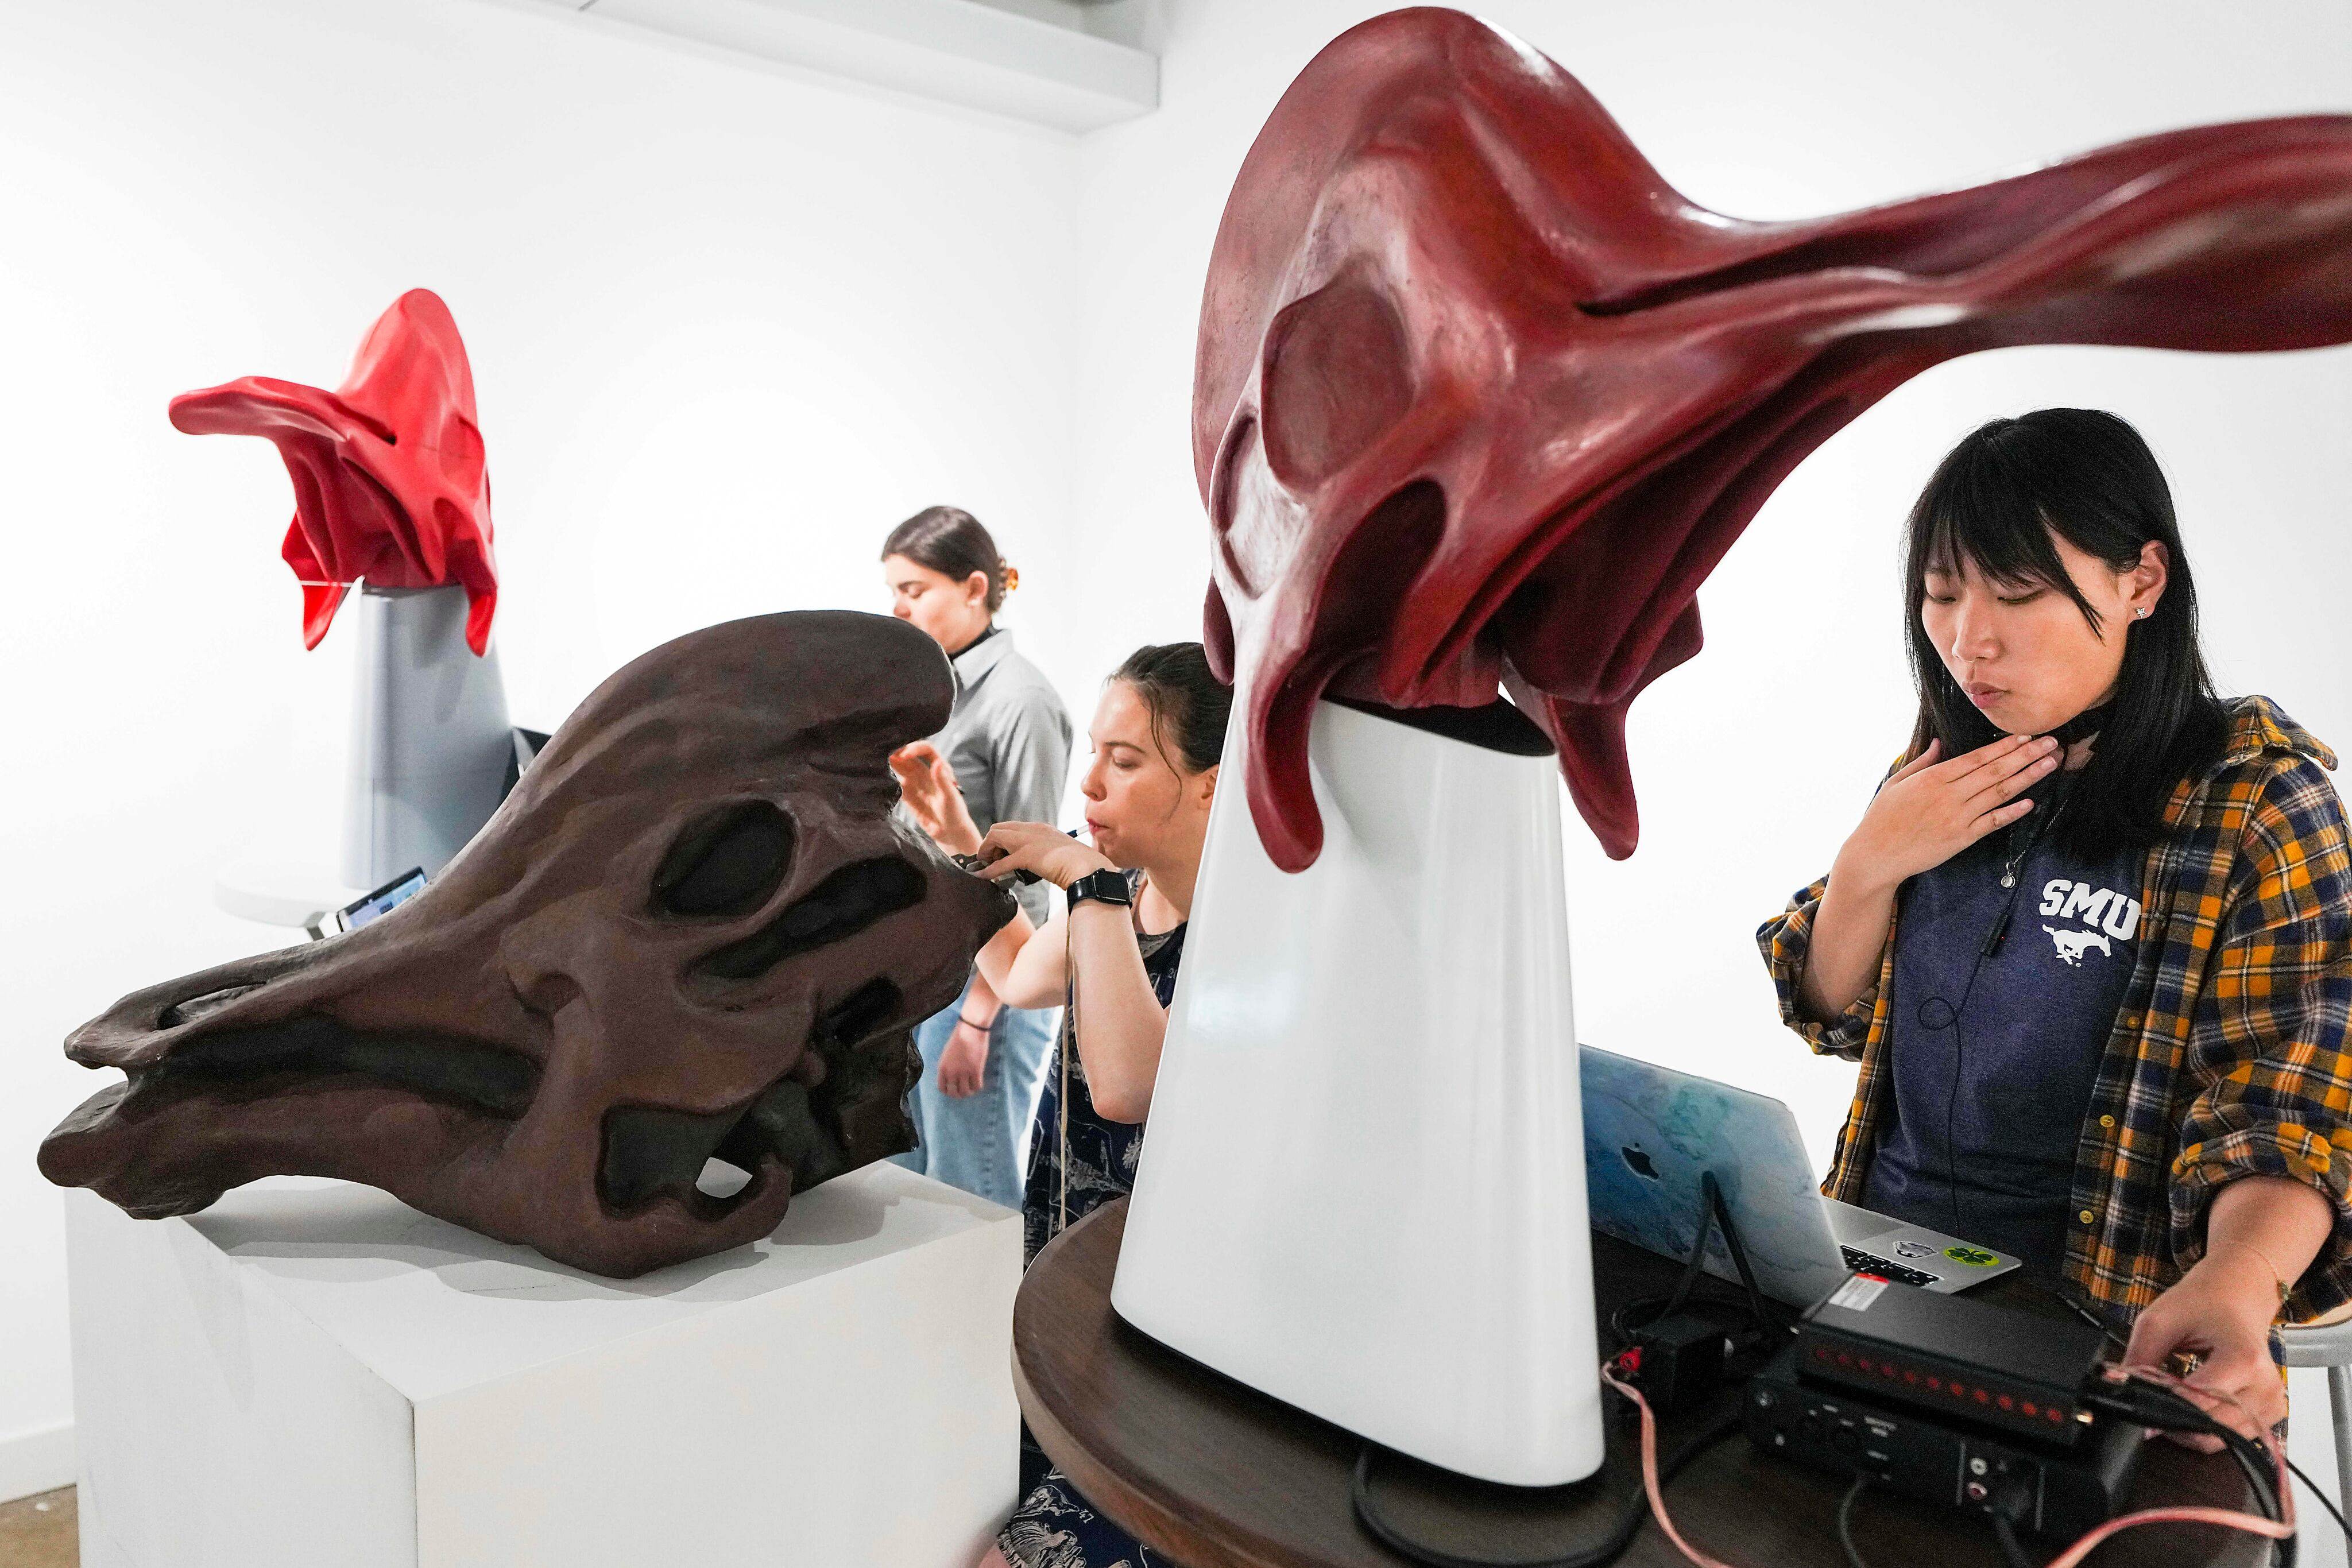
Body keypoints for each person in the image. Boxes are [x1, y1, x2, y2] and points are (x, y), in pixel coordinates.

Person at [1759, 409, 2352, 1449]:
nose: (1966, 640)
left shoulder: (2256, 802)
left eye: (2017, 593)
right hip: (1874, 1270)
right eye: (1943, 595)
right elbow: (1832, 1009)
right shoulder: (1944, 767)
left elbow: (2289, 1100)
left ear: (2142, 583)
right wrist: (1866, 866)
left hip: (2092, 1317)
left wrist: (2239, 1279)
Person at [900, 642, 1228, 1568]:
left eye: (1125, 761)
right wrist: (957, 831)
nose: (1090, 782)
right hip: (1076, 1313)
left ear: (1212, 785)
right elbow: (1011, 969)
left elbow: (1128, 1085)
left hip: (1170, 1363)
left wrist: (1085, 880)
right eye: (1095, 752)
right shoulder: (1131, 903)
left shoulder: (1251, 935)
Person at [881, 505, 1072, 1211]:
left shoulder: (1021, 701)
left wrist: (978, 1019)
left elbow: (1034, 885)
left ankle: (989, 1327)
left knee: (971, 1195)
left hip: (986, 984)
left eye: (913, 589)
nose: (897, 607)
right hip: (926, 974)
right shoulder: (935, 695)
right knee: (914, 1191)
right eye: (894, 590)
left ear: (971, 588)